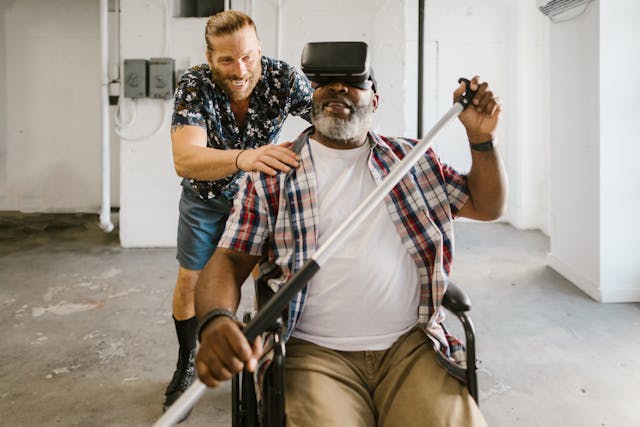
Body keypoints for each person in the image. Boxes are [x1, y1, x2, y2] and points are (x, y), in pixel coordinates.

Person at [194, 46, 507, 425]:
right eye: (324, 81)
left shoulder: (413, 159)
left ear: (374, 101)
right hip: (313, 354)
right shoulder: (273, 172)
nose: (337, 87)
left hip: (410, 345)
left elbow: (487, 206)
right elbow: (229, 258)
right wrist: (216, 319)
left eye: (353, 81)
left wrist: (482, 140)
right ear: (311, 97)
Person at [165, 10, 312, 417]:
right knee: (190, 281)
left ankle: (265, 366)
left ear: (260, 50)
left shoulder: (284, 79)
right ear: (210, 57)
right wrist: (246, 158)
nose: (240, 68)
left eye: (248, 56)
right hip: (205, 200)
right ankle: (186, 363)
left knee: (267, 283)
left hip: (259, 201)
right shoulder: (195, 85)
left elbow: (329, 119)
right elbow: (185, 157)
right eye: (227, 59)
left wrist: (365, 94)